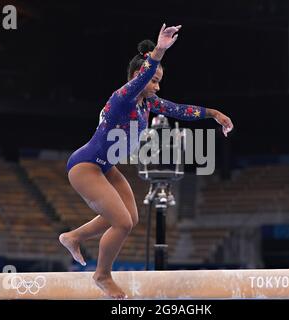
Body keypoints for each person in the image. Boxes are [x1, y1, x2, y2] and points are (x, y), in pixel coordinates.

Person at [59, 23, 233, 299]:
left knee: (132, 216)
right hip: (86, 166)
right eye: (153, 80)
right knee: (122, 223)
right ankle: (102, 274)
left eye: (159, 80)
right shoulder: (122, 98)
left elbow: (179, 109)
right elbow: (146, 73)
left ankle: (73, 237)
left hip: (105, 166)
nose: (157, 85)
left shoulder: (147, 104)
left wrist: (213, 114)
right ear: (137, 77)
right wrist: (160, 50)